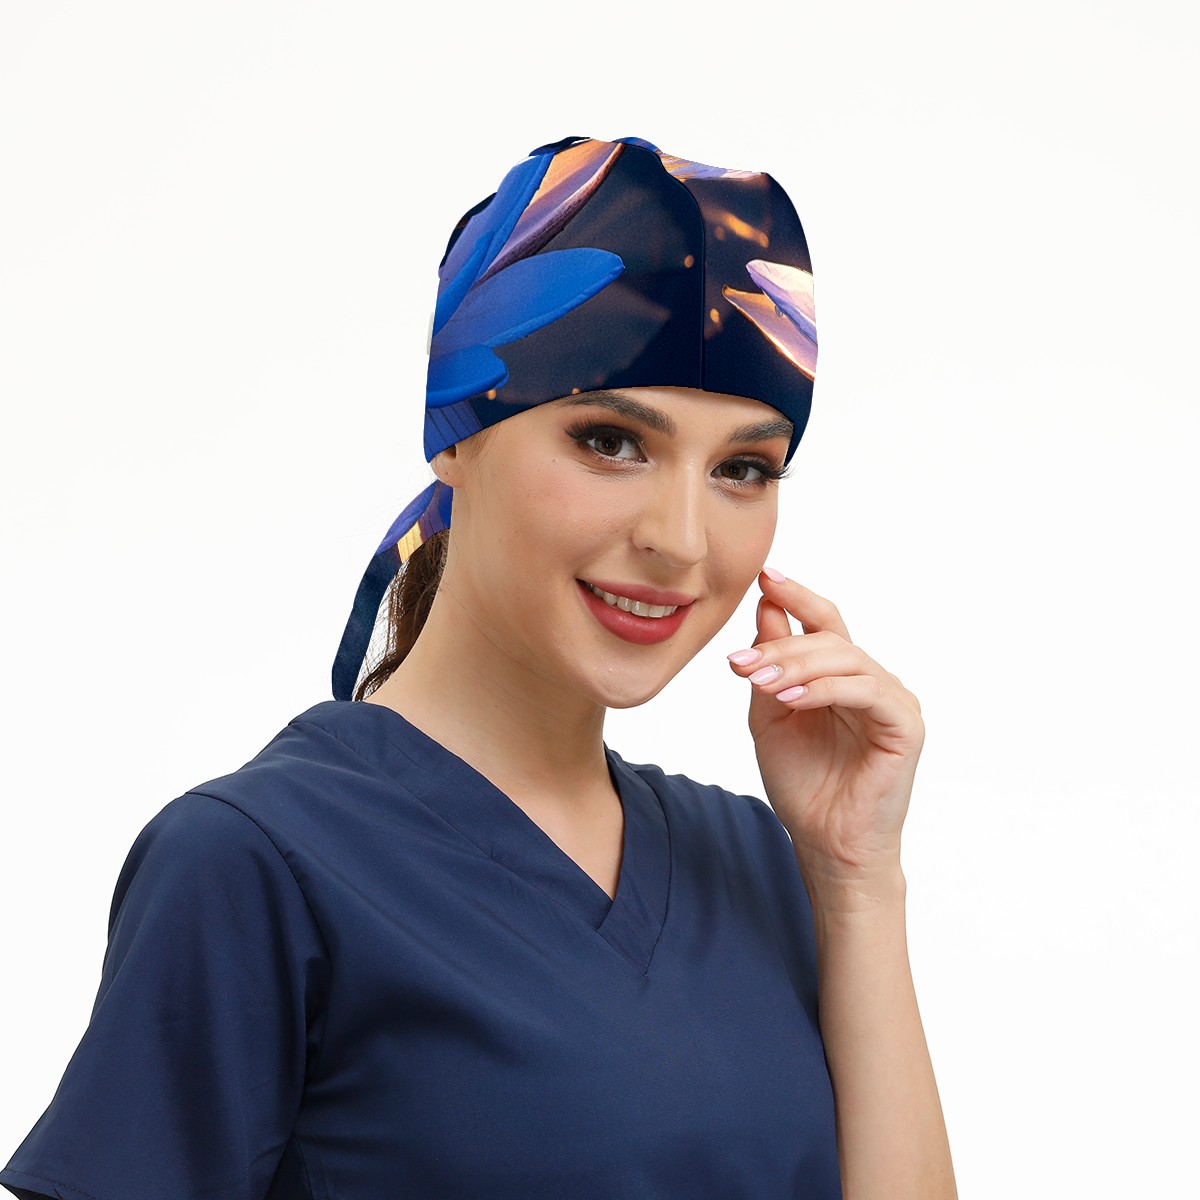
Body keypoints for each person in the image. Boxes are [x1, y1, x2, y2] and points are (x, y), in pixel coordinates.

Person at [1, 135, 956, 1199]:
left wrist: (856, 878)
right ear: (457, 434)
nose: (682, 540)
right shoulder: (255, 864)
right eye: (611, 442)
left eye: (742, 468)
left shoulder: (752, 859)